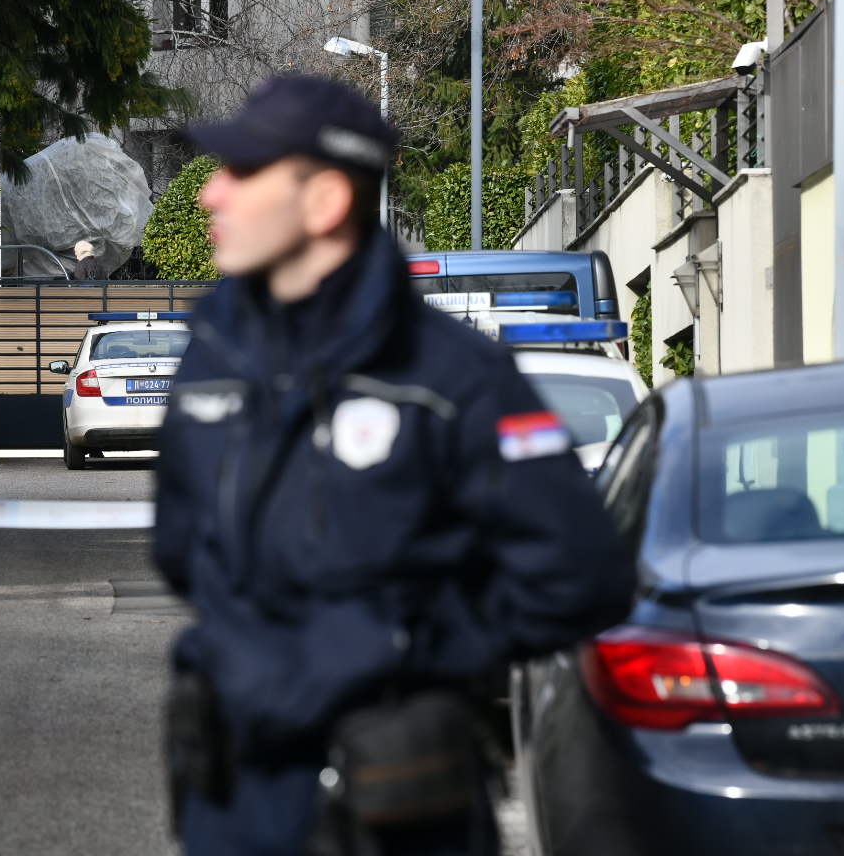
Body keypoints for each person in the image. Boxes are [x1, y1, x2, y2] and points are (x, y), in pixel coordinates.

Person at [152, 75, 635, 856]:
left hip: (401, 801)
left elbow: (582, 577)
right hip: (238, 799)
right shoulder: (211, 356)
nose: (211, 193)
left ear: (324, 201)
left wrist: (402, 649)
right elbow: (180, 550)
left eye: (242, 171)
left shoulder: (453, 375)